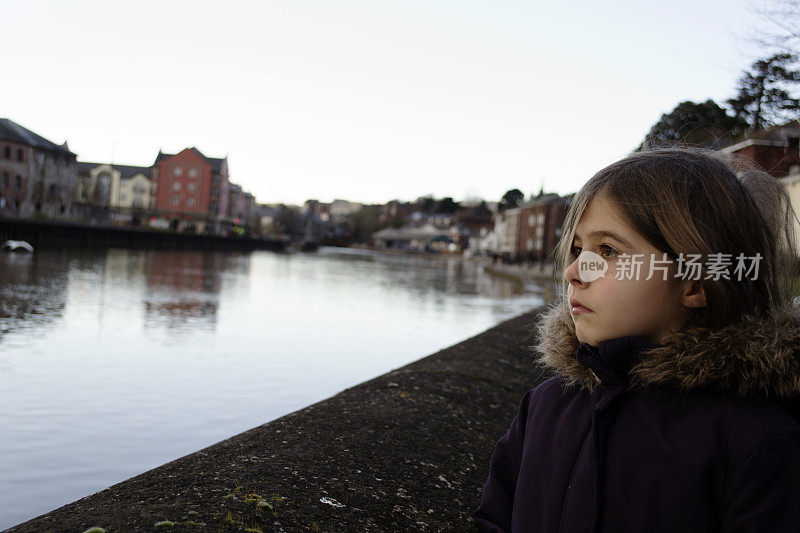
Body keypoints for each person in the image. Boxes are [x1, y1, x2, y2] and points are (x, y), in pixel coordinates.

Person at [474, 148, 800, 532]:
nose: (573, 271)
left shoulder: (758, 444)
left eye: (608, 250)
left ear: (695, 281)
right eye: (578, 249)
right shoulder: (546, 405)